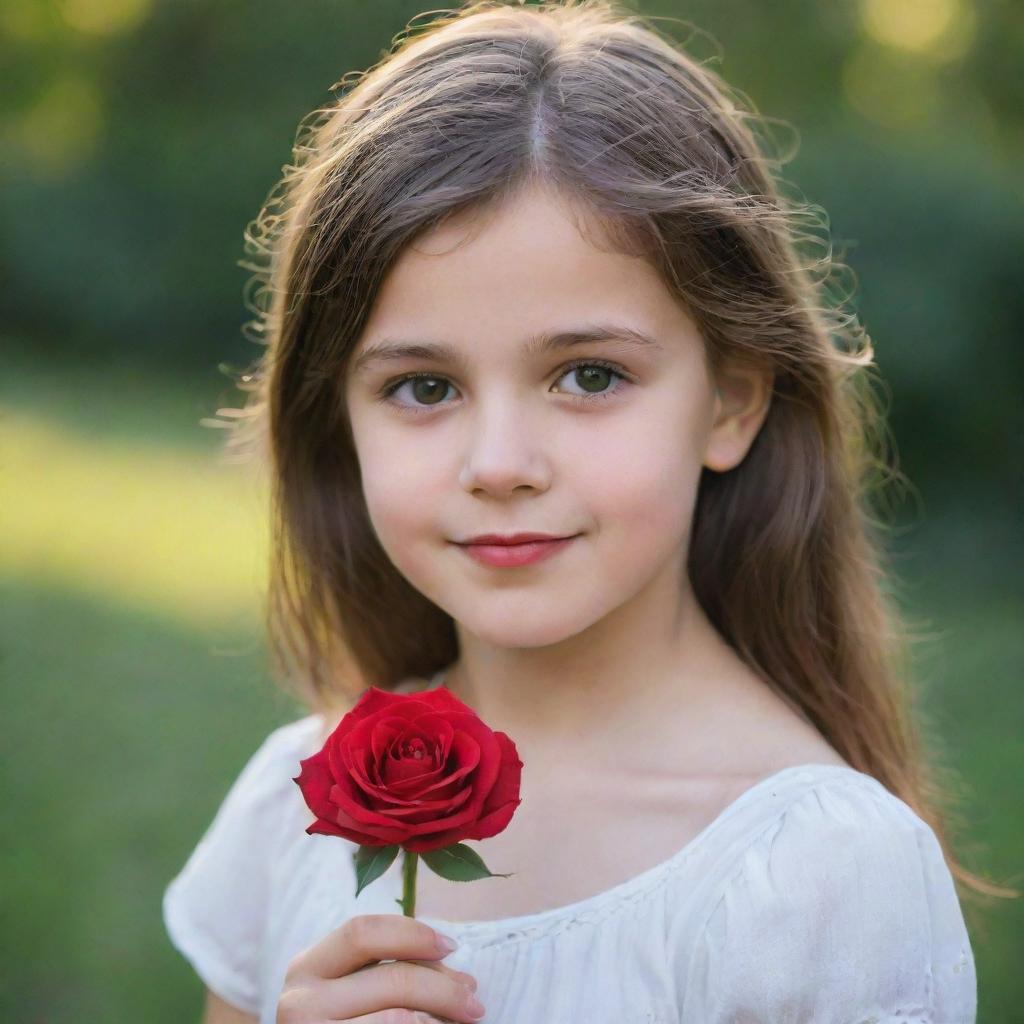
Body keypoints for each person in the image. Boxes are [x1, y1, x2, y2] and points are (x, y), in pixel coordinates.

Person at [162, 2, 1004, 1021]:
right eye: (424, 387)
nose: (501, 464)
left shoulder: (819, 876)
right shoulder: (290, 810)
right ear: (337, 418)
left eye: (589, 375)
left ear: (731, 399)